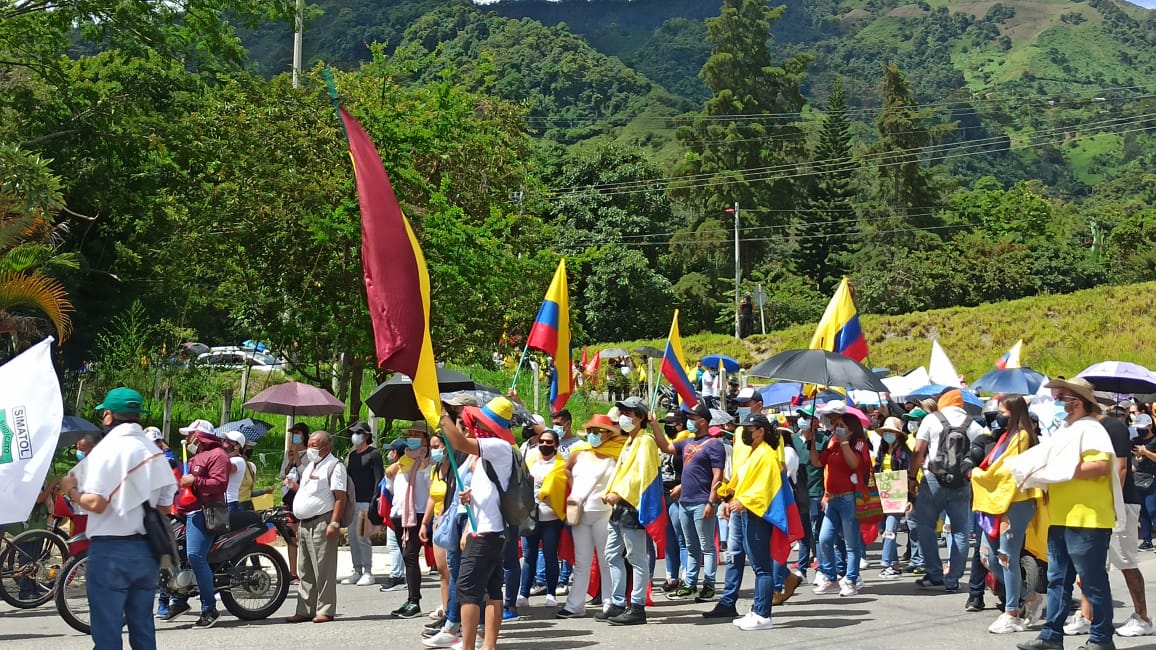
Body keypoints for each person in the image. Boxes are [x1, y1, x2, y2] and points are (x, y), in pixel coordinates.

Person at [61, 387, 177, 650]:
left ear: (109, 416)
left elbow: (97, 503)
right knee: (143, 629)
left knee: (107, 632)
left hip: (111, 551)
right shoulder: (154, 451)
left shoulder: (108, 450)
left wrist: (71, 490)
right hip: (147, 550)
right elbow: (166, 506)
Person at [1015, 378, 1119, 650]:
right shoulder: (1066, 431)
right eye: (1060, 398)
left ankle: (1101, 639)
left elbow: (1099, 466)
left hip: (1088, 518)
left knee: (1092, 580)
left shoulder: (1092, 429)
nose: (1061, 403)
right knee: (1057, 580)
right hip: (1061, 517)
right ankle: (1051, 637)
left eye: (1066, 398)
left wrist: (1060, 471)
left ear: (1081, 402)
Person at [1063, 402, 1153, 637]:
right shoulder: (1087, 428)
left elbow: (1121, 468)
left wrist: (1114, 504)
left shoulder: (1113, 426)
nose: (1065, 407)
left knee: (1125, 560)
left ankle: (1142, 617)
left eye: (1069, 401)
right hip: (1099, 504)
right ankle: (1086, 614)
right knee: (1092, 563)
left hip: (1120, 502)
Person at [440, 395, 520, 650]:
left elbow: (459, 442)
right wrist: (469, 505)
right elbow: (488, 493)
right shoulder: (492, 453)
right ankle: (489, 645)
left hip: (486, 534)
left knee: (467, 592)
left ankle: (468, 645)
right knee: (492, 591)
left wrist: (442, 416)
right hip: (486, 530)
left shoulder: (497, 446)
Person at [970, 396, 1042, 634]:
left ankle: (1011, 612)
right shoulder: (1004, 435)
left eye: (1003, 412)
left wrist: (978, 476)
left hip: (1015, 501)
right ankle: (1028, 596)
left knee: (1006, 557)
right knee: (989, 559)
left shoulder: (1022, 436)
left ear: (1015, 412)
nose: (998, 415)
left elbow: (1006, 470)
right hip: (997, 501)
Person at [910, 389, 985, 594]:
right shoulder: (974, 426)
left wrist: (911, 477)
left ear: (942, 401)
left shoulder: (932, 420)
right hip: (961, 483)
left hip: (933, 479)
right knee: (961, 531)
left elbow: (918, 451)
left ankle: (934, 573)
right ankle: (953, 579)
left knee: (925, 525)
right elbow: (981, 457)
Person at [598, 396, 663, 626]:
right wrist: (610, 491)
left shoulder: (646, 441)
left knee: (636, 558)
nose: (624, 416)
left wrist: (621, 494)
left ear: (641, 417)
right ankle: (616, 602)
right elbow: (622, 472)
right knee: (612, 554)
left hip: (633, 506)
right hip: (619, 506)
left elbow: (642, 476)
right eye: (623, 411)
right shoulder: (630, 440)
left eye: (629, 412)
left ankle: (637, 606)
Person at [161, 419, 229, 627]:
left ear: (199, 436)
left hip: (205, 513)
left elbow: (219, 484)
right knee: (175, 553)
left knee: (195, 556)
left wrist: (195, 481)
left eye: (190, 434)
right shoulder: (195, 457)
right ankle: (179, 601)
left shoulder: (218, 455)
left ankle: (209, 608)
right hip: (186, 513)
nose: (187, 438)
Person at [557, 413, 624, 619]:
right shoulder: (580, 452)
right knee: (582, 561)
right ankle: (575, 605)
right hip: (580, 512)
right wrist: (575, 494)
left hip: (603, 513)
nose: (593, 435)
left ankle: (609, 602)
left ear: (607, 434)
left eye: (598, 431)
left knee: (606, 559)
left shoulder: (616, 454)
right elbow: (566, 470)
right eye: (590, 431)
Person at [724, 413, 783, 631]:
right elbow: (746, 481)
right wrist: (728, 492)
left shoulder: (766, 455)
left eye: (749, 429)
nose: (745, 432)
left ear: (760, 431)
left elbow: (766, 488)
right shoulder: (755, 452)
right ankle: (758, 610)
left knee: (762, 568)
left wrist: (744, 501)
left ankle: (763, 614)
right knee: (759, 567)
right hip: (749, 512)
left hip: (758, 514)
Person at [806, 400, 870, 597]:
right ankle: (831, 577)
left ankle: (851, 579)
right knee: (824, 539)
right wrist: (812, 441)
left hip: (850, 498)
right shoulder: (832, 441)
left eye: (841, 426)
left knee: (851, 543)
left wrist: (844, 442)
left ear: (851, 428)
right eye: (836, 426)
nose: (836, 428)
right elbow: (817, 462)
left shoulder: (858, 443)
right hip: (832, 499)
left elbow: (854, 464)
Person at [284, 430, 347, 624]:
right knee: (305, 569)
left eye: (313, 445)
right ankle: (305, 608)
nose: (309, 448)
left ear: (326, 447)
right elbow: (307, 490)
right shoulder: (311, 464)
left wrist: (334, 523)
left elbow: (340, 498)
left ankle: (325, 609)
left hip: (322, 521)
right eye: (309, 444)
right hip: (304, 523)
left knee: (323, 568)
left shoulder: (334, 466)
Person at [664, 402, 725, 603]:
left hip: (701, 502)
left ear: (703, 421)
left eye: (692, 418)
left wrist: (711, 502)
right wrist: (654, 424)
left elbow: (717, 475)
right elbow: (665, 447)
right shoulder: (686, 443)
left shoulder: (714, 444)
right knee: (691, 546)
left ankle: (708, 585)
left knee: (707, 546)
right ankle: (690, 584)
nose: (689, 421)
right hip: (685, 502)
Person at [516, 428, 567, 609]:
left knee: (550, 555)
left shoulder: (561, 465)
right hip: (530, 517)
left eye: (549, 442)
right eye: (542, 442)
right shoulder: (530, 462)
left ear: (556, 445)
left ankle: (551, 593)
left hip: (552, 517)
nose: (545, 445)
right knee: (529, 556)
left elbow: (563, 489)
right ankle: (523, 594)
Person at [387, 423, 433, 619]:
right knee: (407, 557)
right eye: (410, 434)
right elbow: (390, 478)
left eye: (417, 434)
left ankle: (415, 600)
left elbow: (431, 484)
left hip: (419, 513)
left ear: (425, 438)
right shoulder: (404, 459)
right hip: (400, 514)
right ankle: (411, 598)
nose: (412, 437)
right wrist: (401, 461)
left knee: (410, 555)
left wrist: (421, 460)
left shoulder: (429, 460)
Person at [344, 421, 384, 587]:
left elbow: (378, 478)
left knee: (363, 537)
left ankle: (368, 571)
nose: (355, 436)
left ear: (366, 436)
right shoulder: (352, 456)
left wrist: (375, 500)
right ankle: (357, 569)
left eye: (358, 433)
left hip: (367, 501)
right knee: (352, 537)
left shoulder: (374, 454)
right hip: (353, 501)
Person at [874, 416, 912, 580]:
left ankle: (886, 563)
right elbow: (876, 469)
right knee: (884, 530)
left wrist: (909, 498)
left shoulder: (904, 453)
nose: (888, 434)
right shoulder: (882, 451)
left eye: (891, 431)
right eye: (886, 431)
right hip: (882, 495)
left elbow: (909, 475)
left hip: (898, 496)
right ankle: (894, 564)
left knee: (890, 531)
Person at [420, 434, 452, 619]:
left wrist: (442, 515)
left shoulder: (457, 469)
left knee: (453, 568)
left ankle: (456, 610)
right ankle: (446, 608)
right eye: (432, 447)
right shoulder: (435, 469)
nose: (435, 450)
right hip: (437, 523)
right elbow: (433, 496)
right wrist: (425, 522)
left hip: (452, 520)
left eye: (437, 445)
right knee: (442, 570)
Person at [281, 422, 311, 585]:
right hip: (289, 498)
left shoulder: (310, 454)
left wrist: (298, 459)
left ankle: (306, 571)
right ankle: (292, 572)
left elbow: (306, 475)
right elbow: (282, 474)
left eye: (297, 433)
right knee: (290, 535)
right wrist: (289, 461)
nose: (294, 436)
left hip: (304, 496)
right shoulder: (288, 452)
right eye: (293, 433)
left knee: (304, 536)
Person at [222, 430, 247, 512]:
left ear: (237, 446)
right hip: (222, 503)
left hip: (230, 503)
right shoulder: (228, 458)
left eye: (228, 441)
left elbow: (223, 469)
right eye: (224, 440)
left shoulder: (238, 460)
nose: (224, 443)